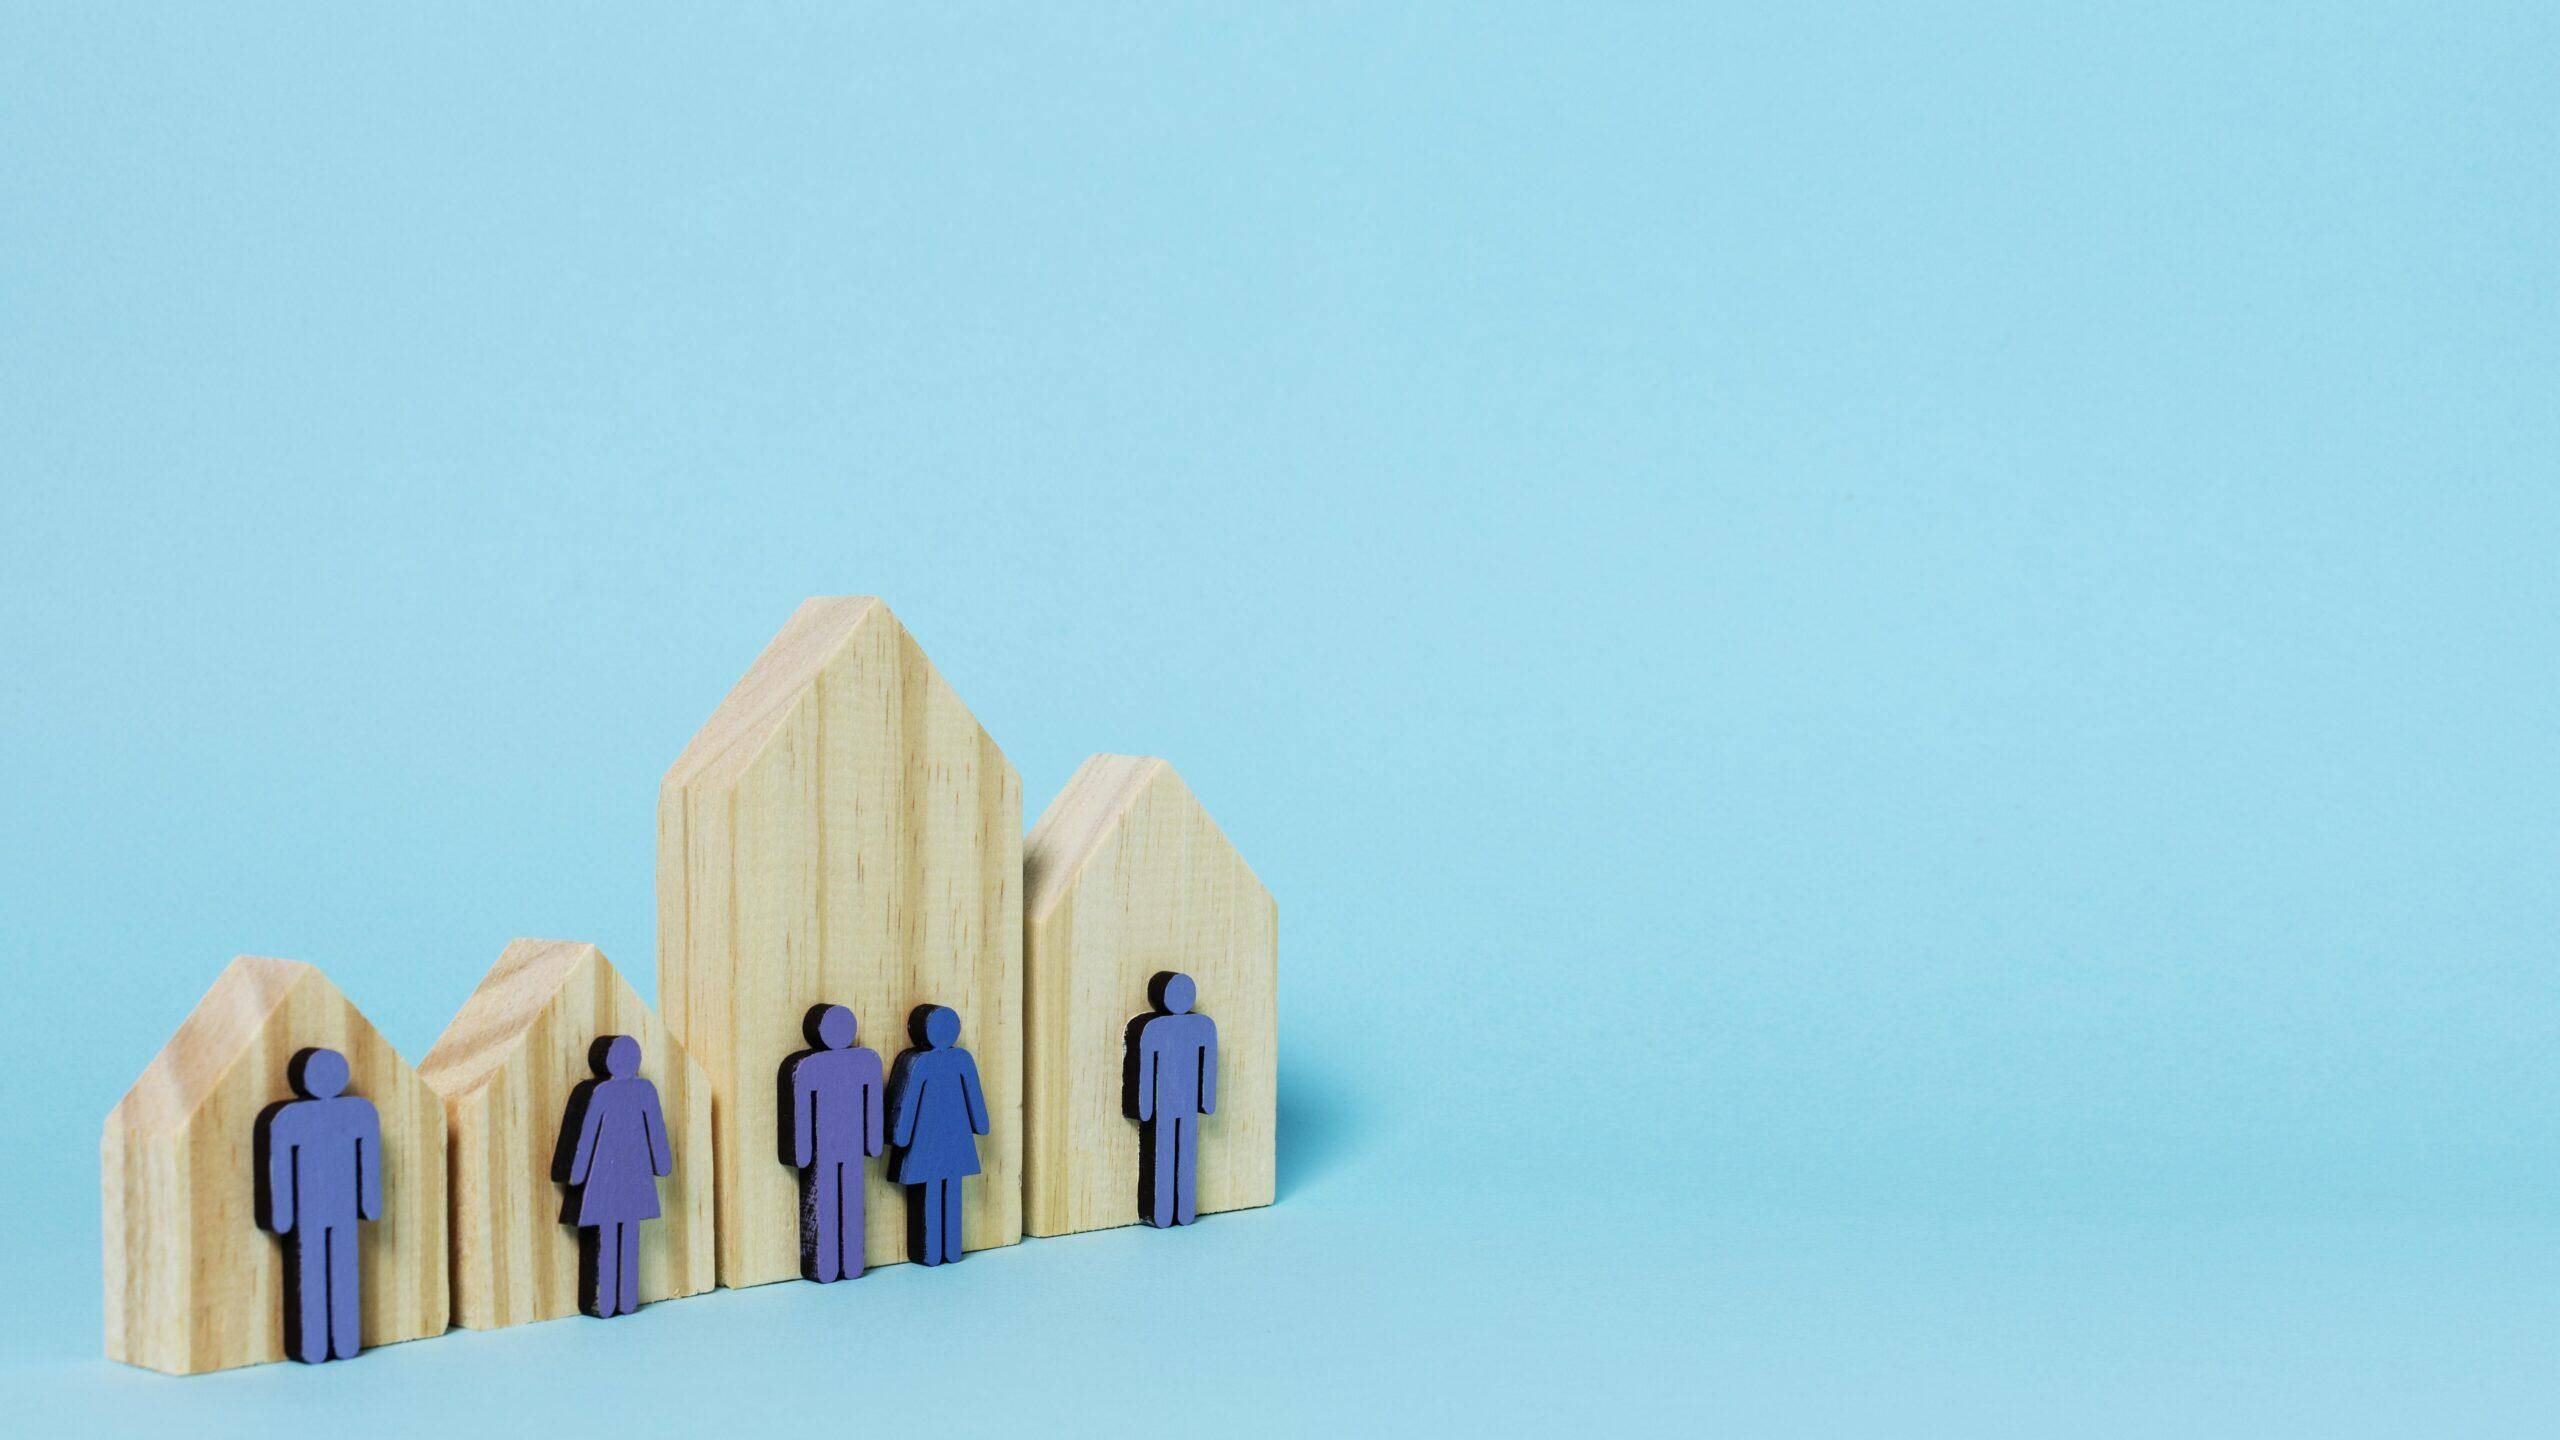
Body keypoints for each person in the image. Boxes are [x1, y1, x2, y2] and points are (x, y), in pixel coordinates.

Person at [255, 1047, 383, 1362]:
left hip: (339, 1207)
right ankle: (314, 1345)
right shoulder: (289, 1118)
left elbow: (367, 1158)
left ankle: (343, 1341)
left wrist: (369, 1203)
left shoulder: (360, 1112)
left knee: (341, 1270)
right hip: (310, 1210)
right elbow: (279, 1166)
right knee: (310, 1270)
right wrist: (281, 1214)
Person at [555, 1034, 673, 1317]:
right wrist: (661, 1165)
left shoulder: (603, 1093)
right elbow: (657, 1138)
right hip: (632, 1176)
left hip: (603, 1178)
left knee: (609, 1234)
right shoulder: (643, 1090)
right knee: (624, 1233)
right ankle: (621, 1299)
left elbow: (585, 1138)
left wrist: (574, 1173)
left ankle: (606, 1301)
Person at [779, 1003, 884, 1282]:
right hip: (828, 1147)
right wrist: (800, 1151)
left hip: (841, 1145)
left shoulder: (863, 1061)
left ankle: (848, 1263)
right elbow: (801, 1109)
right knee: (826, 1201)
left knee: (846, 1201)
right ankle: (829, 1264)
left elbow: (872, 1103)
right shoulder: (812, 1066)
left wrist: (874, 1141)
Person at [886, 1005, 990, 1265]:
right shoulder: (957, 1059)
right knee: (945, 1190)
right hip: (950, 1137)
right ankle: (945, 1250)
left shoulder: (923, 1062)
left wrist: (900, 1135)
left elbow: (907, 1102)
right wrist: (980, 1125)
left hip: (928, 1139)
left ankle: (935, 1251)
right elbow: (975, 1102)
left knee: (937, 1190)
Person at [1129, 972, 1219, 1227]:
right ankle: (1163, 1211)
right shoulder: (1155, 1029)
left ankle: (1182, 1210)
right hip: (1166, 1103)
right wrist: (1144, 1106)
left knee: (1184, 1153)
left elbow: (1207, 1063)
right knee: (1164, 1153)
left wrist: (1207, 1100)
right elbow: (1146, 1067)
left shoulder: (1202, 1026)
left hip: (1181, 1101)